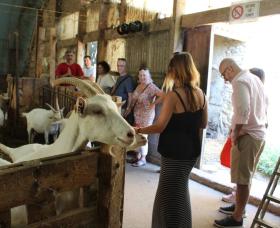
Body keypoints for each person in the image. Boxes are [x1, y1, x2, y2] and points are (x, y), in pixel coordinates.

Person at [135, 52, 208, 228]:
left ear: (174, 71)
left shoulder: (173, 96)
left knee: (169, 199)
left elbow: (159, 126)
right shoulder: (201, 94)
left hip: (174, 153)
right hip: (190, 153)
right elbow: (203, 124)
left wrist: (138, 130)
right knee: (179, 192)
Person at [214, 59, 267, 227]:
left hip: (248, 136)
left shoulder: (240, 81)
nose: (225, 79)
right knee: (245, 177)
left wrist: (236, 133)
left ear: (230, 69)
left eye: (224, 74)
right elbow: (265, 104)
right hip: (257, 133)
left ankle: (237, 218)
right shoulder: (254, 78)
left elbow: (243, 110)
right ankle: (239, 208)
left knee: (242, 179)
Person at [126, 67, 163, 167]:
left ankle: (143, 158)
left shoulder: (151, 87)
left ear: (148, 76)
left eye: (144, 75)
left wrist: (153, 104)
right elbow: (133, 99)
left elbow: (162, 95)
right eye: (141, 75)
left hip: (147, 115)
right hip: (137, 114)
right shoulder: (139, 86)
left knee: (143, 135)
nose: (142, 77)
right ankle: (137, 156)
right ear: (138, 76)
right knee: (137, 134)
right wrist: (129, 109)